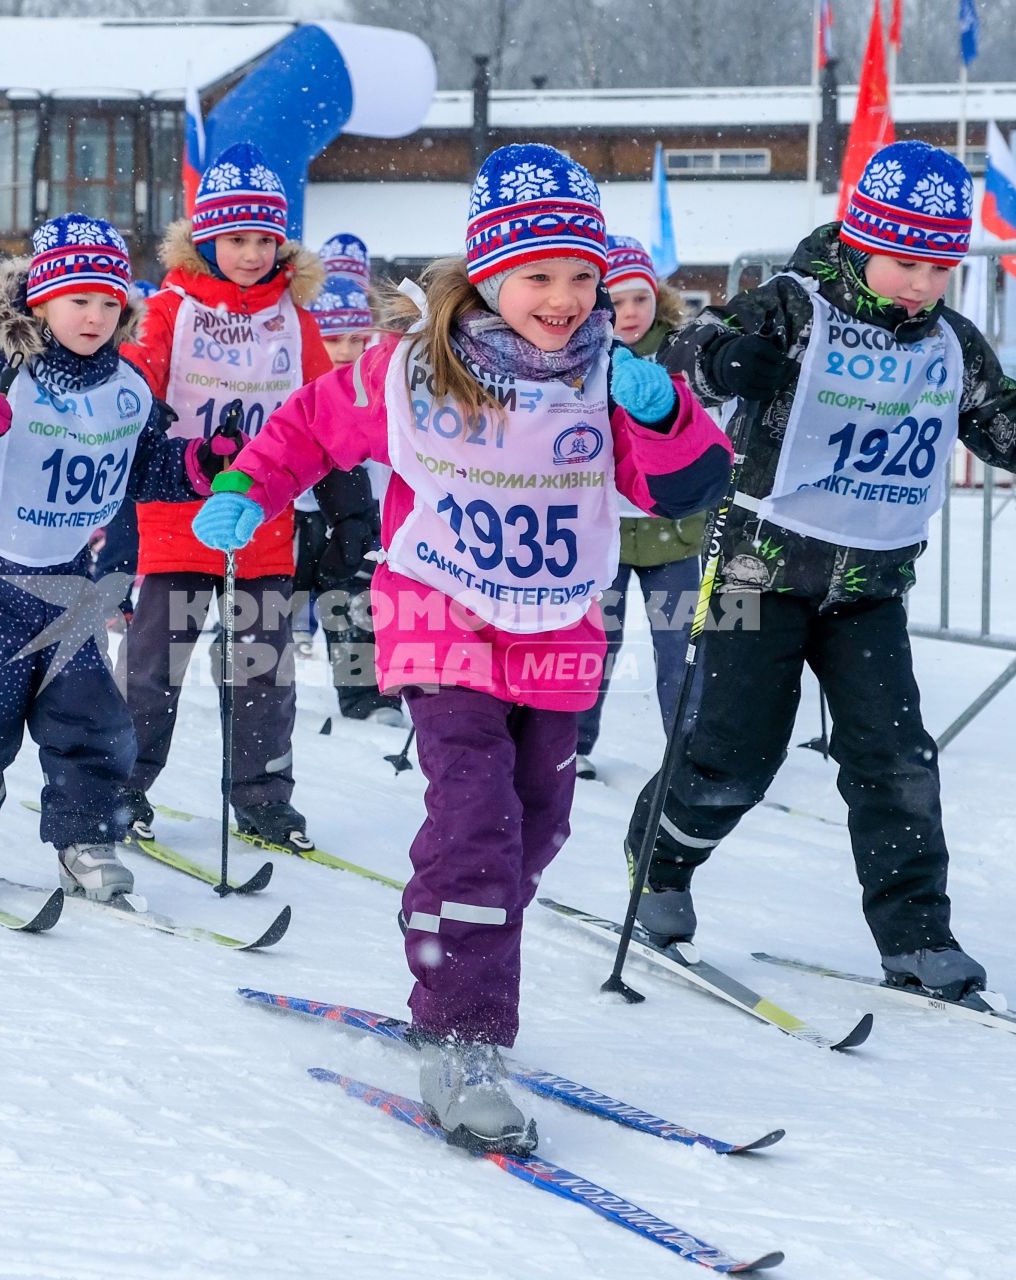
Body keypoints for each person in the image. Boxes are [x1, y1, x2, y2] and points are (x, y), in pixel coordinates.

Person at [193, 143, 731, 1152]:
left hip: (559, 622)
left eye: (584, 277)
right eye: (539, 275)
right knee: (476, 817)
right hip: (438, 611)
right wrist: (243, 489)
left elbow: (691, 488)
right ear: (487, 272)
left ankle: (452, 927)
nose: (566, 297)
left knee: (534, 822)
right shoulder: (413, 369)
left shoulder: (613, 381)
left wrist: (668, 419)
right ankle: (466, 1034)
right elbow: (310, 426)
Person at [623, 140, 1016, 998]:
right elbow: (684, 348)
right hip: (753, 572)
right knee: (735, 754)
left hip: (869, 588)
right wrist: (723, 361)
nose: (923, 282)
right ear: (862, 241)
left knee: (896, 760)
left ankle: (917, 934)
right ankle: (659, 861)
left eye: (941, 266)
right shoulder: (792, 306)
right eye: (906, 260)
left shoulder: (950, 343)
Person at [0, 213, 191, 899]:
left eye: (108, 302)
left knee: (91, 711)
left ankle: (87, 835)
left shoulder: (125, 387)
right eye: (77, 300)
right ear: (40, 300)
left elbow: (144, 464)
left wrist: (201, 465)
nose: (93, 317)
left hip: (67, 576)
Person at [117, 142, 332, 850]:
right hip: (179, 520)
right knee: (153, 673)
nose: (251, 253)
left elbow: (326, 408)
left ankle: (264, 798)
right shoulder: (171, 308)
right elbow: (135, 389)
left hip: (266, 526)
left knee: (262, 677)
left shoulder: (295, 319)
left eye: (265, 239)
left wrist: (341, 500)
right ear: (207, 238)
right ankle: (121, 787)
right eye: (237, 239)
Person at [575, 234, 699, 777]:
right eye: (617, 301)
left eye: (640, 299)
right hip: (603, 535)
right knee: (594, 646)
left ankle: (688, 751)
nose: (629, 313)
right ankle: (572, 746)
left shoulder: (685, 351)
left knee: (682, 651)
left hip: (674, 535)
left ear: (658, 298)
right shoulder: (581, 354)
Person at [296, 263, 402, 724]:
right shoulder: (294, 376)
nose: (344, 351)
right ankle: (246, 689)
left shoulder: (382, 383)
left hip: (362, 512)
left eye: (357, 339)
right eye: (332, 338)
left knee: (354, 601)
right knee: (273, 603)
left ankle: (368, 700)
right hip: (295, 514)